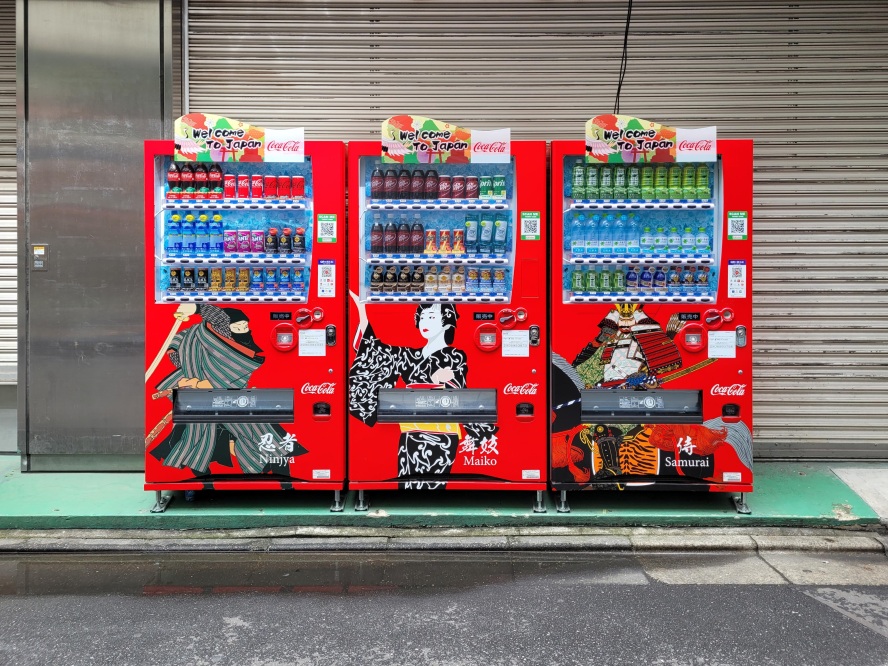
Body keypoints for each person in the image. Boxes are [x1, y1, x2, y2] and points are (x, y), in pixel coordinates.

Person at [348, 293, 496, 488]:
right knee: (406, 481)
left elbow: (458, 380)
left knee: (432, 482)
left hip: (441, 433)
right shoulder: (410, 355)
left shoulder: (455, 355)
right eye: (422, 316)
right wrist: (362, 311)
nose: (424, 321)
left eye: (432, 317)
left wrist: (445, 379)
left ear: (446, 322)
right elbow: (375, 351)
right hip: (409, 432)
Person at [150, 303, 306, 476]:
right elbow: (218, 319)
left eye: (245, 326)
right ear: (225, 328)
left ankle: (280, 476)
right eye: (237, 327)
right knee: (200, 441)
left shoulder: (234, 348)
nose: (242, 330)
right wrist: (191, 374)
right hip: (210, 402)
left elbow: (235, 371)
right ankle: (205, 483)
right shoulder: (216, 335)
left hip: (229, 401)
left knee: (262, 434)